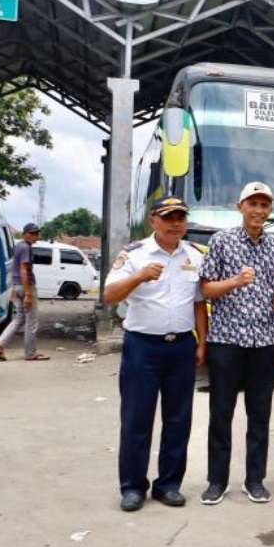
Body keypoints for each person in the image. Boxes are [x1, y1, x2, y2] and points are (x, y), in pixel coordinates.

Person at [103, 197, 208, 512]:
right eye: (169, 217)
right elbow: (109, 296)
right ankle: (133, 487)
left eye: (181, 217)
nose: (176, 223)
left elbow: (199, 302)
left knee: (179, 420)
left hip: (181, 348)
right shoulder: (134, 255)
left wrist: (202, 342)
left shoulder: (194, 255)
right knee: (137, 419)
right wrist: (138, 277)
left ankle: (169, 485)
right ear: (154, 221)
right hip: (143, 347)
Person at [198, 182, 274, 505]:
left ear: (269, 211)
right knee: (221, 413)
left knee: (260, 415)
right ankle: (217, 481)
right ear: (240, 207)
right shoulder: (220, 242)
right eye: (253, 203)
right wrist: (235, 282)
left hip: (265, 342)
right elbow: (205, 290)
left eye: (264, 205)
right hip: (226, 340)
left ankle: (255, 480)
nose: (258, 211)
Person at [0, 223, 48, 361]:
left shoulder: (19, 246)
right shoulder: (25, 248)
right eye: (32, 233)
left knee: (19, 318)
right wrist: (27, 294)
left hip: (18, 285)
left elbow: (15, 269)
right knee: (31, 321)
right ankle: (30, 353)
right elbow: (23, 270)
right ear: (25, 233)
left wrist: (15, 289)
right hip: (26, 286)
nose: (34, 236)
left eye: (36, 233)